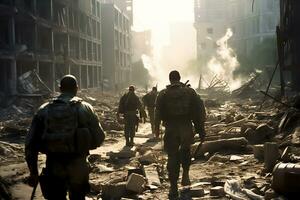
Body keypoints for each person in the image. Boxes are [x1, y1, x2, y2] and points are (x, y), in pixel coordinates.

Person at [25, 75, 105, 200]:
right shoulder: (85, 108)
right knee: (78, 197)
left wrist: (33, 172)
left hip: (54, 164)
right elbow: (100, 137)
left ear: (60, 88)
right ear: (76, 88)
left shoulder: (44, 109)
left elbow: (30, 144)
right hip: (78, 164)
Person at [154, 70, 206, 199]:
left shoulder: (163, 94)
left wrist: (156, 128)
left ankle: (173, 188)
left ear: (170, 79)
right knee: (186, 151)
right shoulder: (190, 92)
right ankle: (186, 175)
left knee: (172, 156)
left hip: (171, 128)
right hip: (186, 126)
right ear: (179, 78)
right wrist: (200, 129)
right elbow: (199, 110)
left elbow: (157, 112)